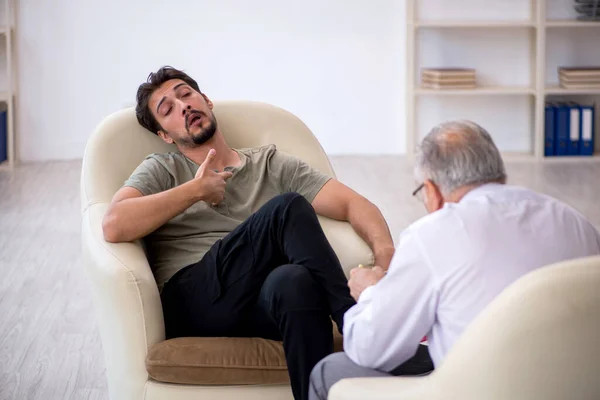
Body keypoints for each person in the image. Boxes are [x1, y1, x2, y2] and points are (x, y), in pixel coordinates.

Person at [101, 66, 396, 400]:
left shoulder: (271, 164)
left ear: (207, 101)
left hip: (258, 304)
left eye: (186, 94)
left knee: (293, 281)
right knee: (287, 208)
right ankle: (361, 328)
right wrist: (195, 191)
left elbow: (355, 206)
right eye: (167, 110)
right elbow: (113, 223)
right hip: (193, 300)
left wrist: (386, 262)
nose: (183, 106)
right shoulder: (162, 169)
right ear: (166, 135)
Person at [309, 120, 600, 400]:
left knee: (329, 372)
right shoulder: (575, 222)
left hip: (478, 390)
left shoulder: (433, 235)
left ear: (431, 190)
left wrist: (372, 293)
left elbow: (370, 349)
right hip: (575, 387)